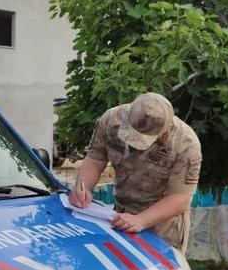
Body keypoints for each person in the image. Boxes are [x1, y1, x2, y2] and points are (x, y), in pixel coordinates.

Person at [68, 92, 202, 253]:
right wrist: (83, 188)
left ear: (165, 130)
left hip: (162, 226)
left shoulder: (185, 144)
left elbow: (180, 199)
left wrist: (141, 220)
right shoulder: (111, 119)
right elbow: (95, 161)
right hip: (120, 216)